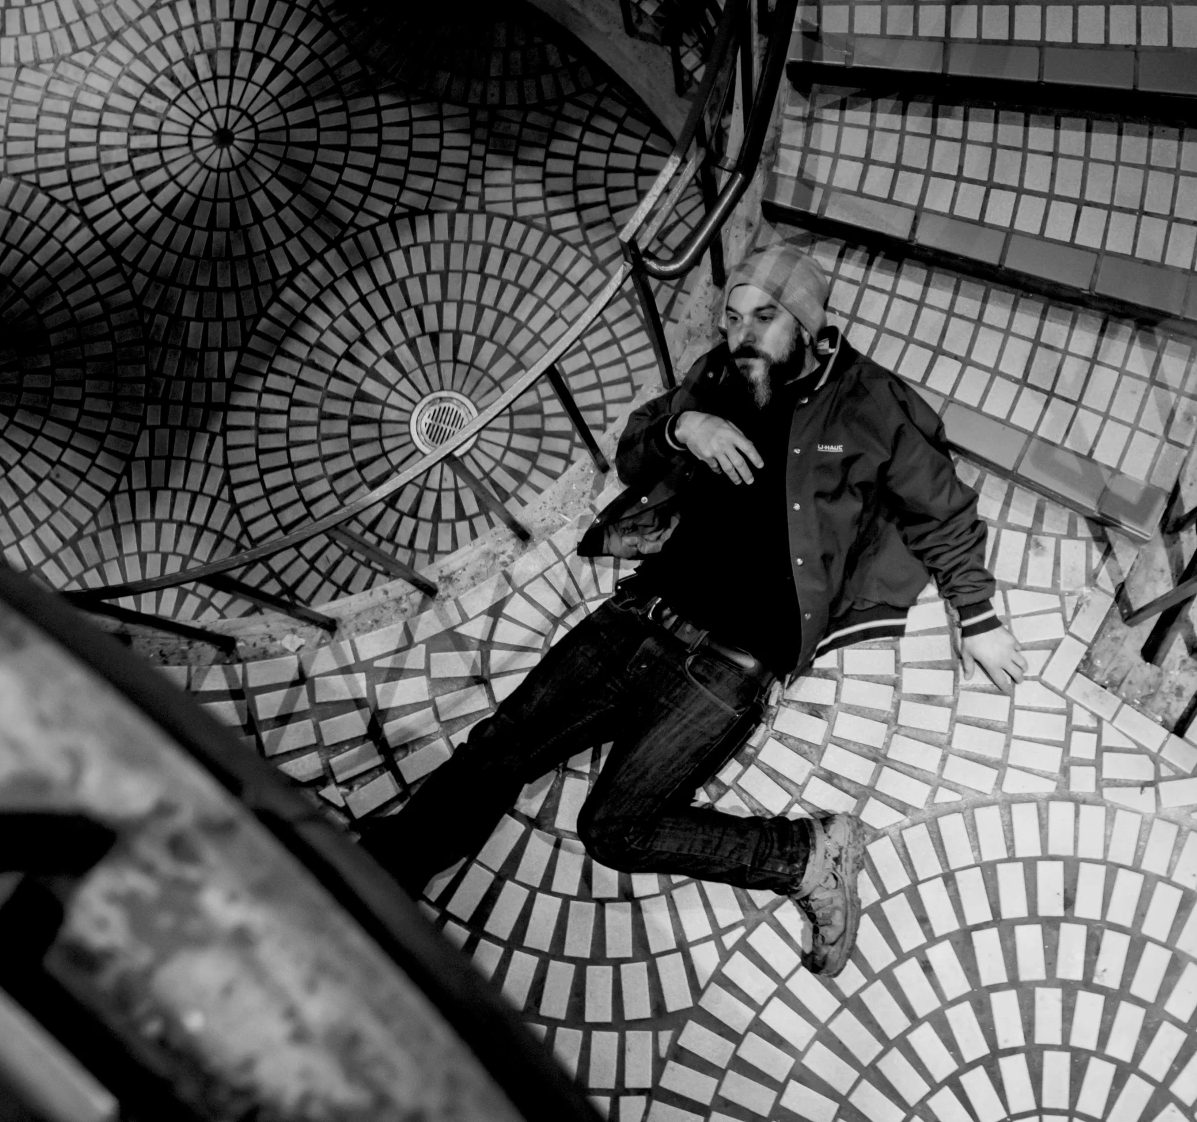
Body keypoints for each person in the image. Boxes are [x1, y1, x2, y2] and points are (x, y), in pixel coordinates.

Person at [358, 244, 1025, 974]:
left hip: (729, 662)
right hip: (639, 612)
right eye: (732, 315)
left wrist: (978, 614)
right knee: (498, 745)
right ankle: (382, 869)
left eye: (765, 318)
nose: (742, 333)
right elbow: (633, 451)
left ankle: (806, 853)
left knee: (616, 828)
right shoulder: (719, 377)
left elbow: (945, 510)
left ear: (808, 323)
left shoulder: (869, 403)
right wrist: (684, 428)